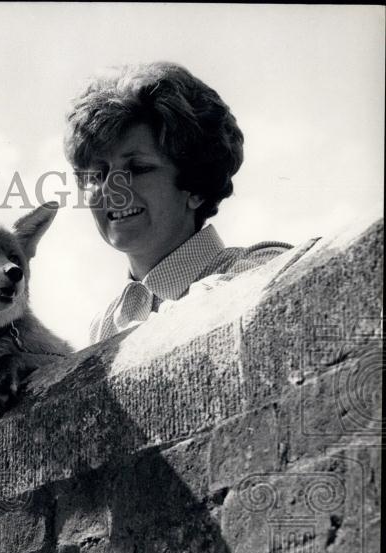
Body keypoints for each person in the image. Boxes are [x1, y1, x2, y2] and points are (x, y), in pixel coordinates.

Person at [64, 62, 293, 345]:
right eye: (97, 174)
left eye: (138, 168)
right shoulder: (102, 328)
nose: (112, 188)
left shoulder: (262, 266)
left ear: (196, 185)